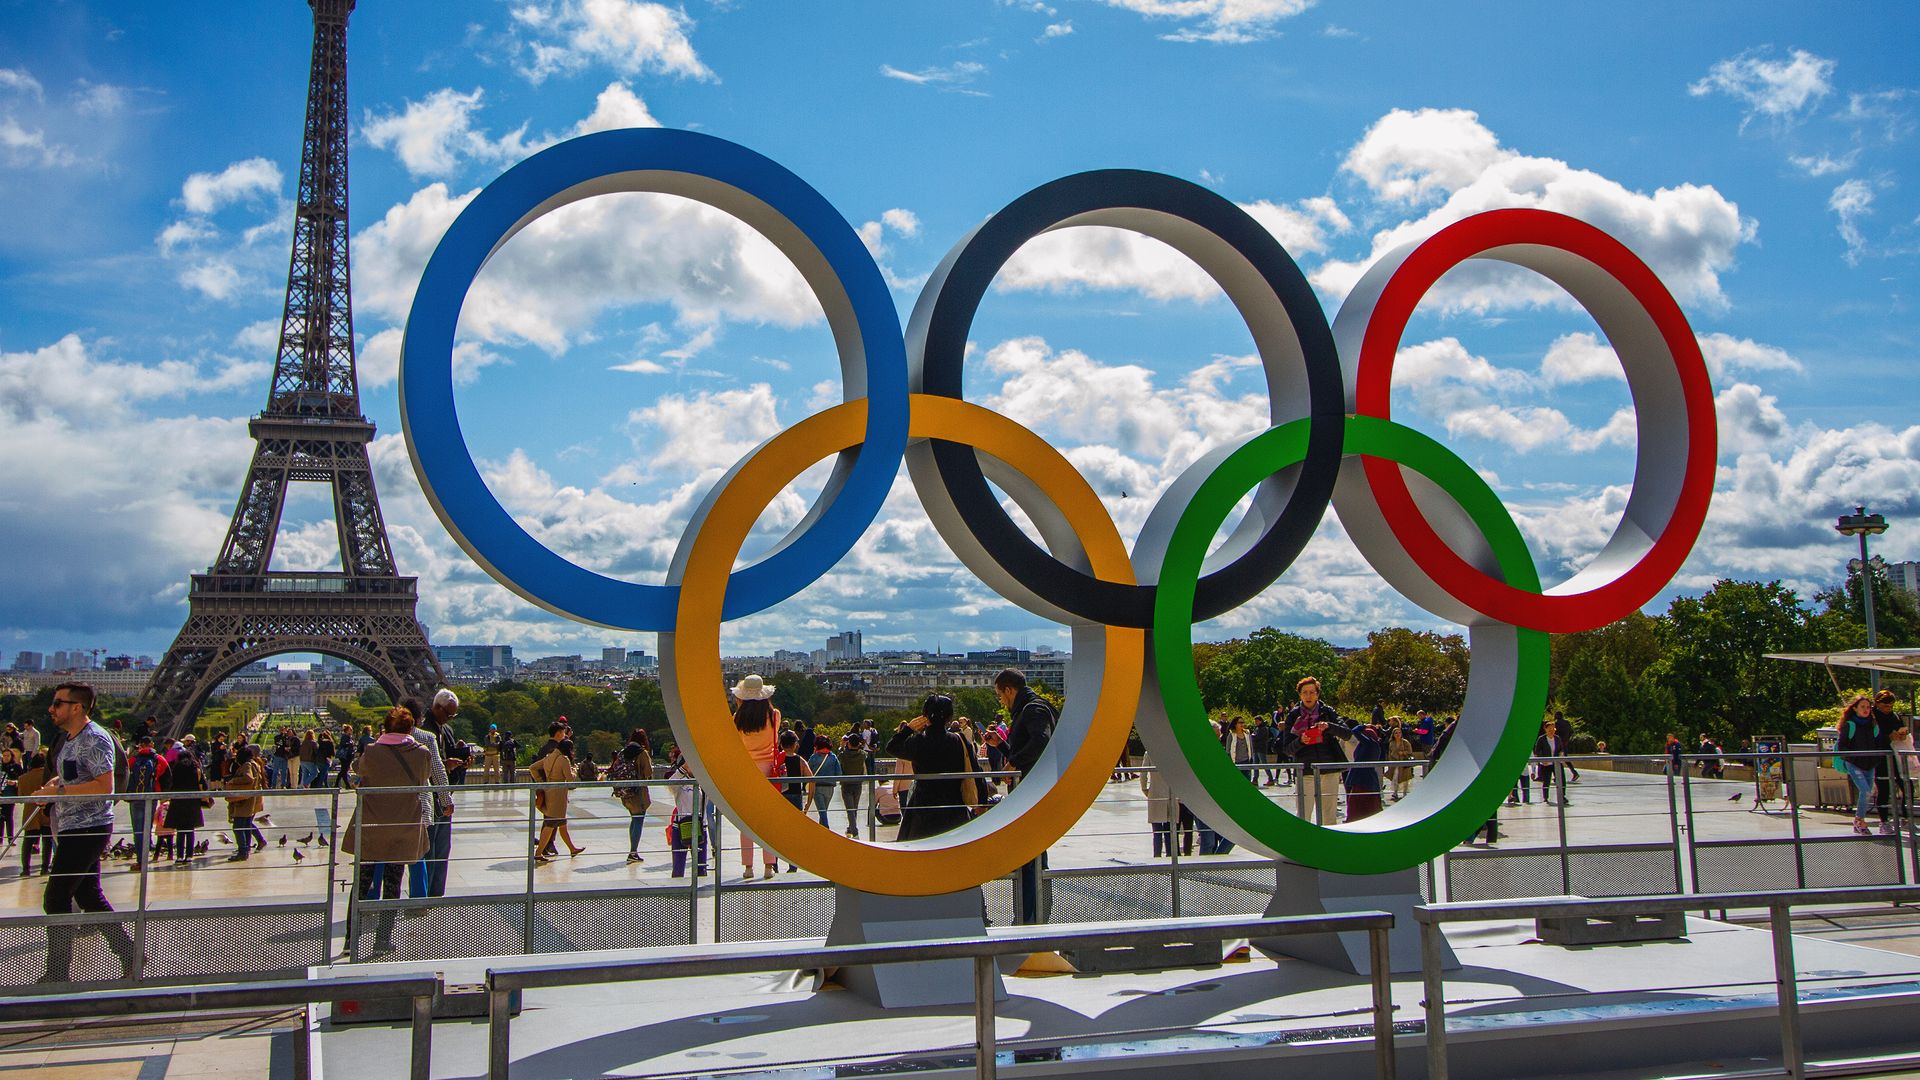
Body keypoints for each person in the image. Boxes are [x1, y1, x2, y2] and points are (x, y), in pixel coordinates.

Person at [36, 682, 142, 982]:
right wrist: (52, 787)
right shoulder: (71, 738)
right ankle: (130, 952)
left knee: (56, 898)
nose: (51, 708)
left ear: (77, 707)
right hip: (75, 825)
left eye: (58, 703)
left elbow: (103, 787)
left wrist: (59, 791)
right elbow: (72, 773)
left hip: (88, 827)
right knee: (89, 896)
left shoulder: (95, 739)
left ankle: (57, 973)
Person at [345, 706, 434, 959]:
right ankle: (382, 940)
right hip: (403, 826)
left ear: (385, 726)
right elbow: (423, 778)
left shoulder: (371, 752)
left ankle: (351, 939)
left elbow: (360, 772)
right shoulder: (421, 753)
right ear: (411, 728)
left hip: (372, 826)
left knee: (361, 883)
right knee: (393, 885)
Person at [997, 668, 1055, 923]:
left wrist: (1013, 763)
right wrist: (1001, 746)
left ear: (1010, 690)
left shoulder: (1033, 709)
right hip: (1031, 791)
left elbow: (1041, 743)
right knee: (1030, 858)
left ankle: (1030, 916)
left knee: (1030, 860)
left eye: (1000, 695)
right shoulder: (1033, 708)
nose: (1001, 700)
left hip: (1032, 793)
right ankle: (1029, 914)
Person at [888, 695, 973, 841]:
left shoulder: (919, 741)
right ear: (949, 717)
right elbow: (974, 768)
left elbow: (891, 747)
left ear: (925, 716)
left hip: (923, 806)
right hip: (953, 804)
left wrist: (908, 728)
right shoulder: (959, 740)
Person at [400, 692, 457, 897]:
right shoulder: (426, 737)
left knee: (390, 859)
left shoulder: (381, 740)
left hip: (391, 806)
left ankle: (377, 901)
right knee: (421, 855)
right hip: (421, 804)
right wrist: (446, 800)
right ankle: (420, 899)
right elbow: (438, 772)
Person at [731, 675, 785, 879]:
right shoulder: (774, 715)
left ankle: (748, 867)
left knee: (747, 822)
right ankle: (769, 866)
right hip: (769, 770)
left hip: (746, 771)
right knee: (767, 821)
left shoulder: (737, 718)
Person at [1283, 676, 1353, 826]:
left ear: (1318, 694)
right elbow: (1287, 748)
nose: (1308, 696)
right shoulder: (1293, 715)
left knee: (1329, 817)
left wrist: (1329, 726)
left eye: (1312, 692)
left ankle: (1328, 847)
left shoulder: (1328, 712)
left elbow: (1347, 734)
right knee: (1303, 816)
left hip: (1329, 769)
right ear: (1299, 695)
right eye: (1304, 692)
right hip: (1305, 771)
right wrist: (1301, 741)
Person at [529, 737, 585, 862]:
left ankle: (572, 848)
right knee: (551, 823)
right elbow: (571, 782)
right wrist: (574, 771)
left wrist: (541, 782)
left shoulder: (548, 756)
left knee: (561, 823)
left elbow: (532, 767)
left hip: (549, 791)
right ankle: (538, 852)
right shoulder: (563, 759)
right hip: (559, 795)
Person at [1838, 694, 1883, 837]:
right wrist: (1853, 757)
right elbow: (1842, 746)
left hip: (1870, 763)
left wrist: (1877, 757)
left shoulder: (1873, 725)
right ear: (1855, 708)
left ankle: (1859, 819)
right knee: (1865, 791)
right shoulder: (1850, 725)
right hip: (1854, 763)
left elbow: (1878, 743)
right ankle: (1859, 820)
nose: (1866, 710)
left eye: (1868, 707)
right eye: (1862, 707)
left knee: (1868, 791)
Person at [607, 740, 654, 864]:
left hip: (625, 793)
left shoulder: (623, 753)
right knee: (638, 820)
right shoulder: (642, 753)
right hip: (638, 793)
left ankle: (633, 850)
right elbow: (648, 772)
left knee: (634, 819)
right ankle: (633, 852)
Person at [665, 749, 709, 878]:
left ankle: (700, 893)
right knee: (678, 866)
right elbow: (671, 785)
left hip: (700, 826)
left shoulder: (703, 781)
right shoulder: (681, 780)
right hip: (681, 825)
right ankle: (679, 892)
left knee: (701, 867)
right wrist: (683, 769)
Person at [163, 739, 207, 868]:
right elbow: (203, 784)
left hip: (178, 802)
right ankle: (189, 855)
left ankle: (179, 856)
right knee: (190, 830)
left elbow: (170, 784)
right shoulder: (196, 769)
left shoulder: (176, 769)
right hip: (192, 802)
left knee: (180, 830)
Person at [125, 734, 167, 865]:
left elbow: (124, 776)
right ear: (152, 745)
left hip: (135, 797)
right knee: (147, 828)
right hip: (151, 797)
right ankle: (146, 855)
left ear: (140, 745)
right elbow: (167, 777)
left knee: (137, 829)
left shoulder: (133, 760)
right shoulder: (159, 759)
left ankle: (140, 859)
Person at [224, 744, 267, 859]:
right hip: (251, 799)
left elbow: (248, 778)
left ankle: (243, 851)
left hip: (244, 801)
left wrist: (233, 781)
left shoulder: (247, 765)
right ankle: (246, 849)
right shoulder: (254, 764)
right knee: (246, 825)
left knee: (238, 826)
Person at [1873, 690, 1905, 836]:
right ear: (1878, 703)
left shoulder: (1894, 715)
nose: (1889, 708)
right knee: (1884, 787)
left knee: (1906, 784)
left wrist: (1902, 734)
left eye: (1891, 706)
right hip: (1880, 756)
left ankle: (1905, 816)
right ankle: (1883, 821)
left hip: (1896, 754)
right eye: (1886, 706)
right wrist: (1888, 737)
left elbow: (1901, 728)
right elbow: (1872, 737)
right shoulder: (1873, 716)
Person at [18, 751, 51, 876]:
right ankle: (44, 868)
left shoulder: (23, 778)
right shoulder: (48, 777)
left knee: (27, 843)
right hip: (45, 813)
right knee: (47, 842)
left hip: (30, 814)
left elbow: (20, 796)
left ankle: (26, 869)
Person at [1344, 721, 1385, 822]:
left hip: (1362, 779)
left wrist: (1363, 726)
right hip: (1366, 779)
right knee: (1369, 805)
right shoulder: (1374, 745)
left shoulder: (1369, 743)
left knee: (1357, 807)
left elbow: (1355, 731)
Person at [835, 732, 868, 836]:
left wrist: (842, 746)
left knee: (850, 809)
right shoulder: (862, 755)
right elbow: (864, 753)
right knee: (854, 808)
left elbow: (838, 757)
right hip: (858, 784)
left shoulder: (843, 755)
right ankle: (851, 827)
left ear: (848, 743)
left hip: (846, 785)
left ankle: (854, 830)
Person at [807, 735, 842, 828]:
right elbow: (839, 773)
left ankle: (826, 829)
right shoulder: (833, 757)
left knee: (822, 812)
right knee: (824, 811)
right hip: (830, 788)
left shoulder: (814, 757)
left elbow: (808, 772)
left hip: (817, 787)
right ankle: (822, 832)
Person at [1535, 720, 1570, 806]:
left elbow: (1561, 749)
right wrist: (1542, 760)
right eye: (1549, 729)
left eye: (1553, 728)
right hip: (1546, 764)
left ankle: (1562, 796)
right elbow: (1537, 751)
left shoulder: (1557, 738)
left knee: (1561, 779)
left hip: (1556, 763)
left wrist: (1561, 755)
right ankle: (1546, 797)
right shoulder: (1541, 739)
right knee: (1546, 780)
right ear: (1545, 729)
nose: (1552, 730)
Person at [1385, 721, 1416, 802]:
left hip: (1404, 763)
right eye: (1396, 733)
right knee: (1395, 778)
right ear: (1393, 734)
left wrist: (1403, 753)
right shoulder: (1391, 743)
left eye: (1399, 733)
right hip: (1394, 763)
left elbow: (1410, 752)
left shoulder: (1405, 742)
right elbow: (1389, 752)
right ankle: (1395, 793)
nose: (1398, 734)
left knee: (1405, 779)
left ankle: (1405, 793)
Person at [1553, 711, 1581, 784]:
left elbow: (1554, 734)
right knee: (1565, 758)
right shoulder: (1567, 723)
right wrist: (1567, 739)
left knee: (1556, 759)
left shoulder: (1556, 724)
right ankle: (1573, 773)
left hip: (1558, 744)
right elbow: (1571, 732)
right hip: (1565, 743)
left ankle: (1559, 776)